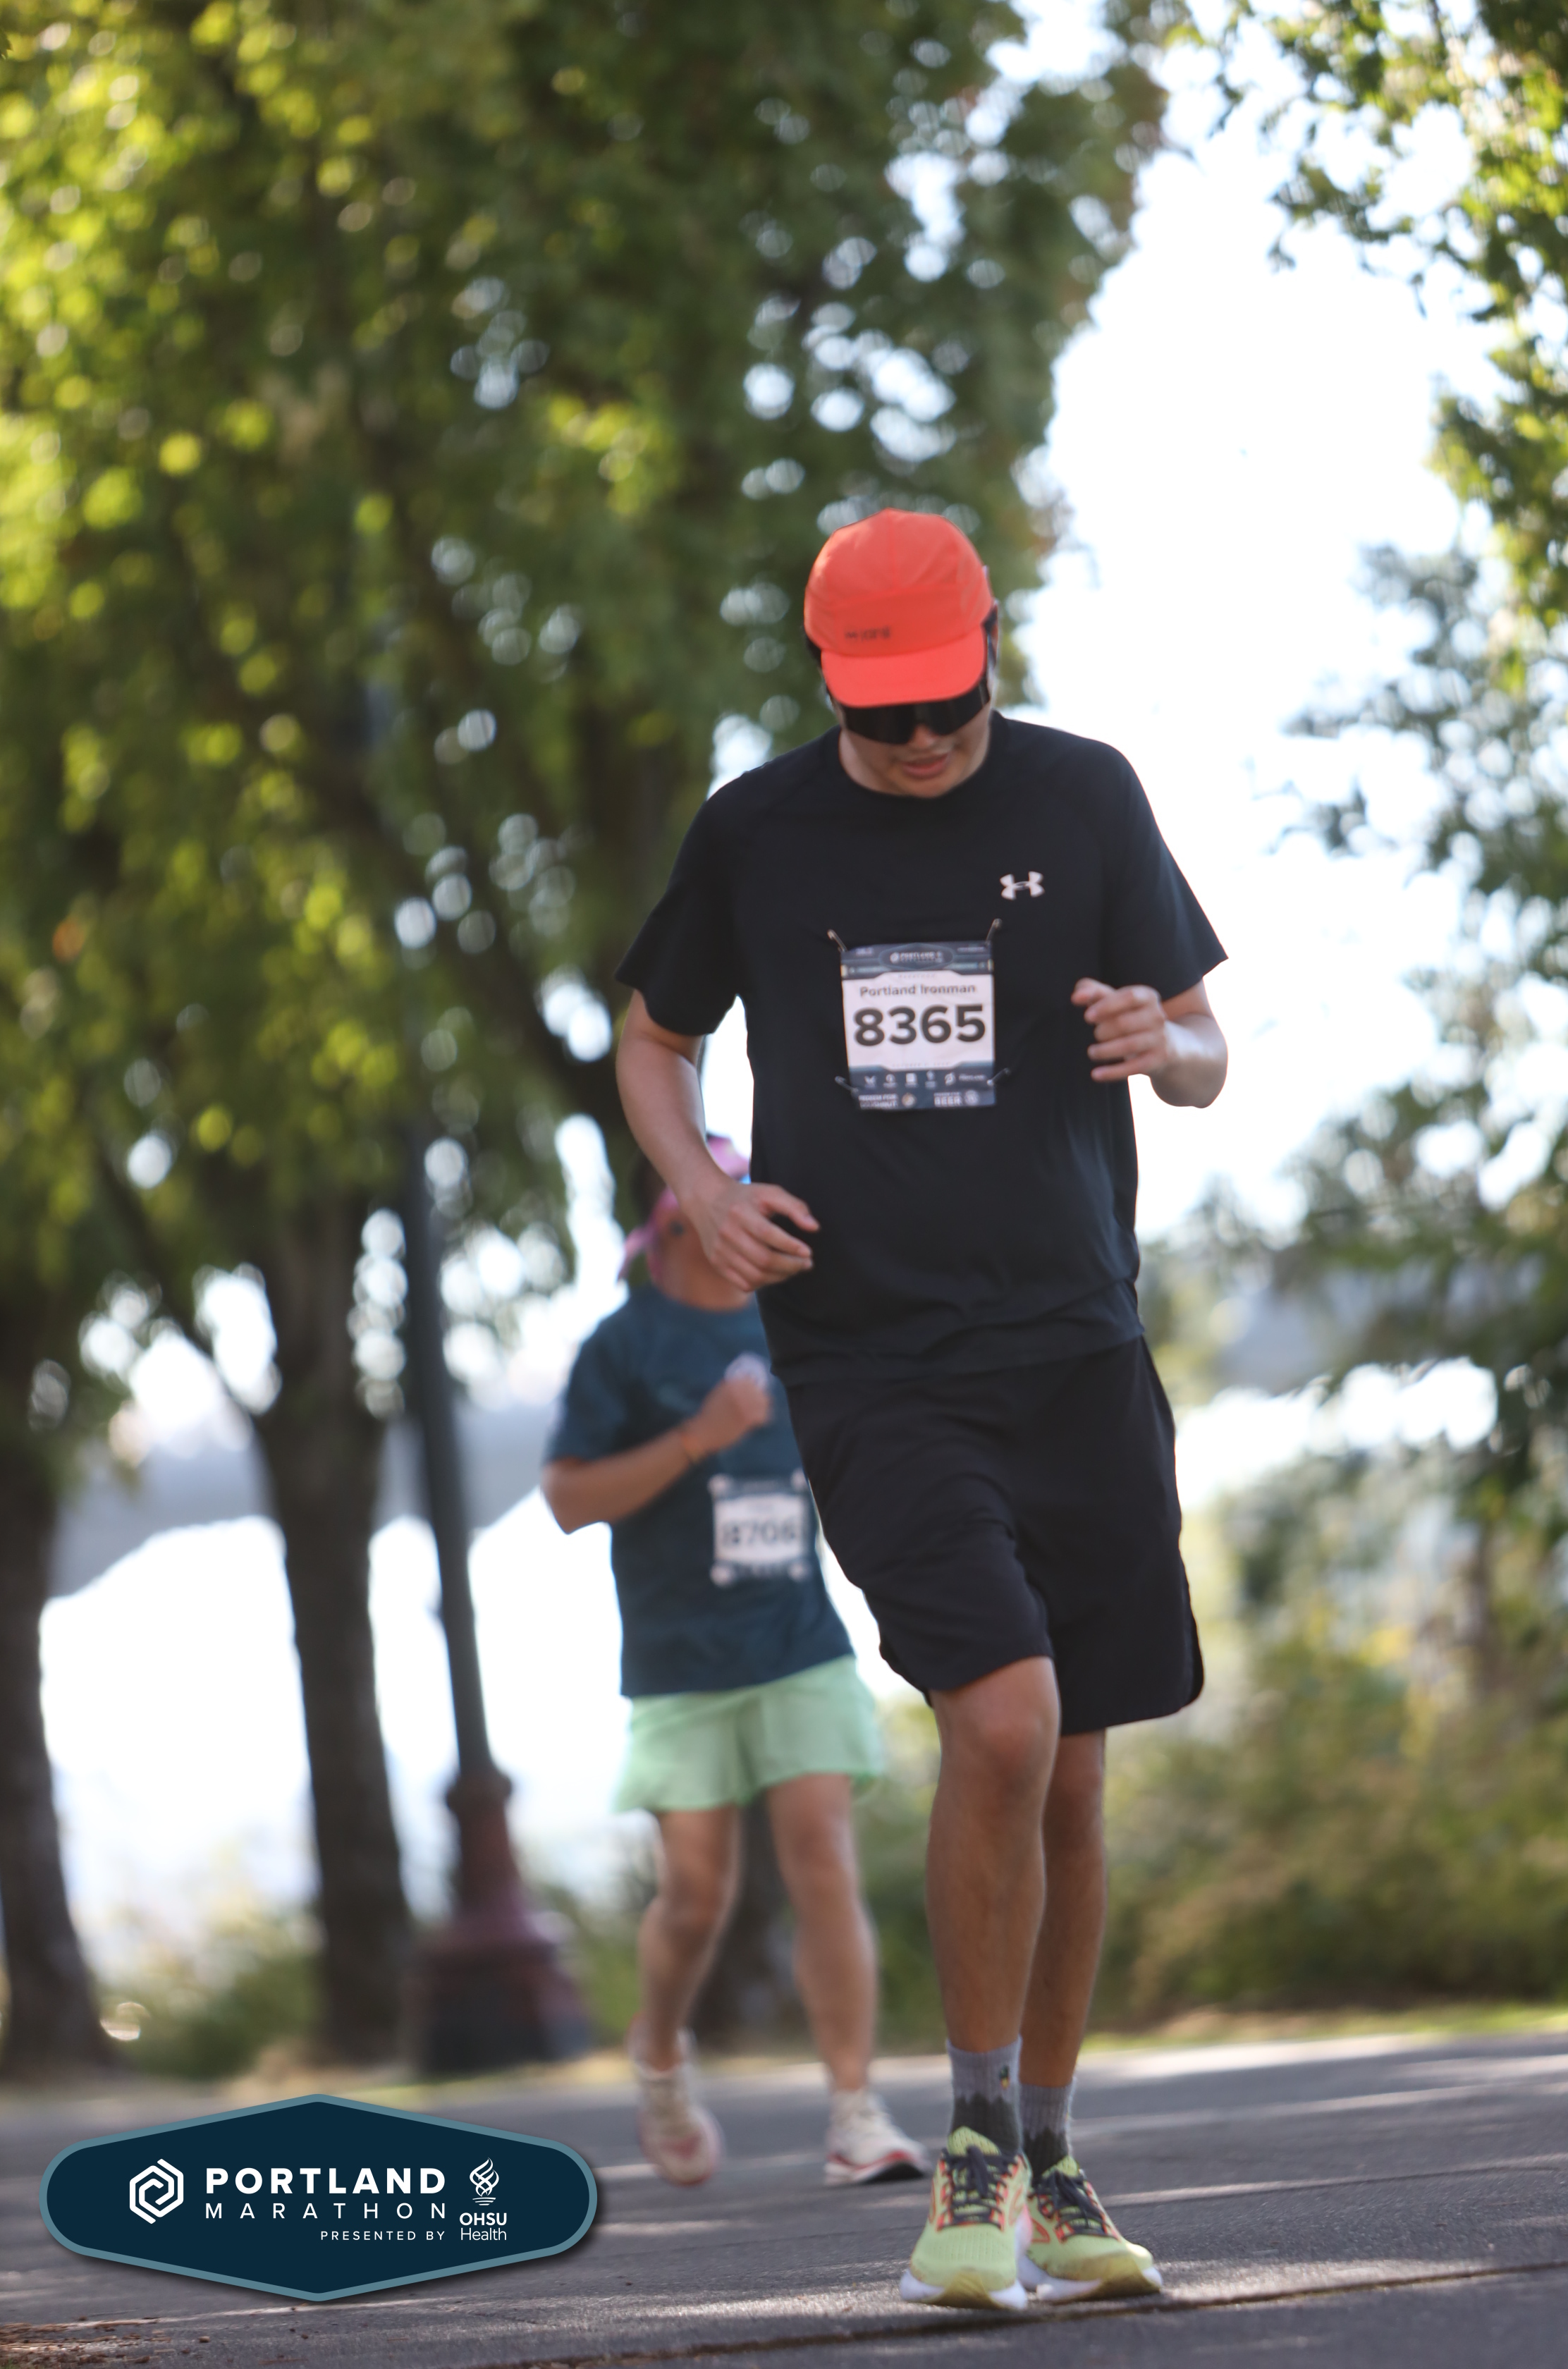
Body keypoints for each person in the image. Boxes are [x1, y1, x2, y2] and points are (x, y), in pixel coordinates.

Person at [612, 509, 1228, 2309]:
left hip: (1075, 1342)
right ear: (828, 685)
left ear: (989, 651)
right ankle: (966, 2160)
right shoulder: (757, 832)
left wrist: (1160, 1044)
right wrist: (703, 1187)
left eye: (946, 706)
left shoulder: (1084, 797)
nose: (920, 740)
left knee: (1075, 1769)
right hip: (872, 1355)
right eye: (882, 717)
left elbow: (1204, 1048)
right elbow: (652, 1037)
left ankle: (1048, 2160)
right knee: (1006, 1720)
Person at [540, 1134, 928, 2191]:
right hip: (680, 1667)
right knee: (697, 1896)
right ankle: (661, 2055)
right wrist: (696, 1440)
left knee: (823, 1856)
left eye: (755, 1203)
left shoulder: (797, 1322)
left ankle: (854, 2110)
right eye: (721, 1206)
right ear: (671, 1225)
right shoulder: (624, 1346)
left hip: (799, 1645)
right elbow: (567, 1499)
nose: (745, 1225)